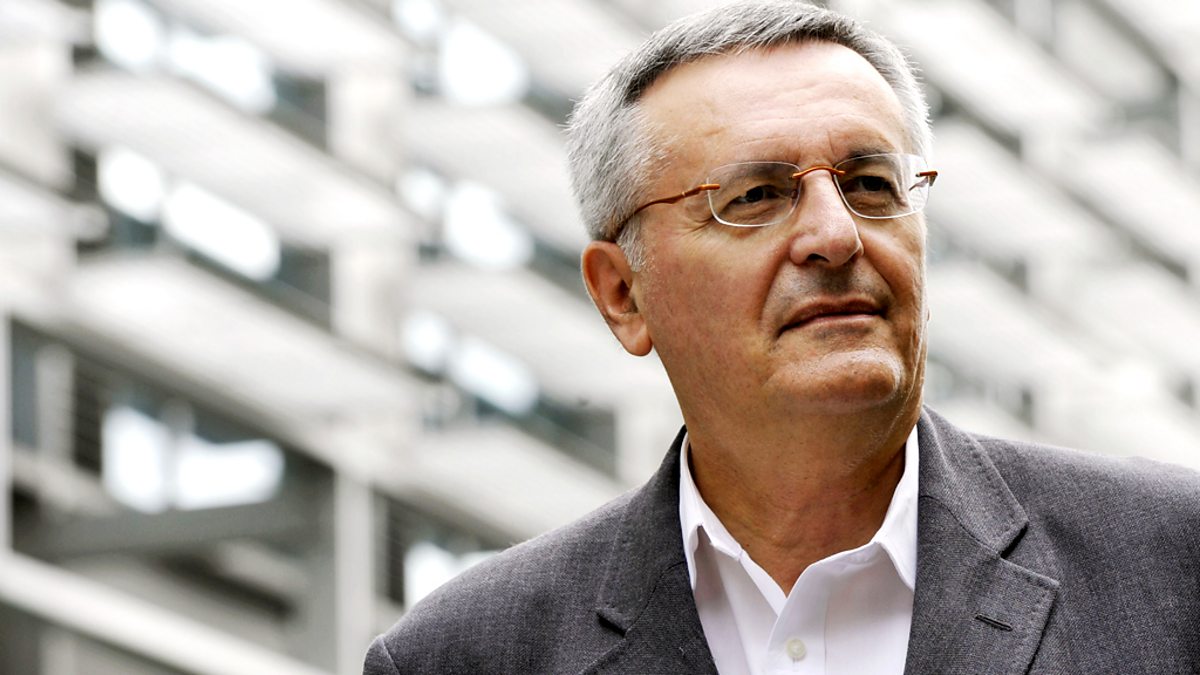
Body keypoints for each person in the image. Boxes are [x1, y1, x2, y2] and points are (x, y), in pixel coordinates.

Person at [364, 1, 1200, 673]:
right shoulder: (466, 654)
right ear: (622, 294)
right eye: (756, 197)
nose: (836, 234)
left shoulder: (1172, 566)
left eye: (870, 184)